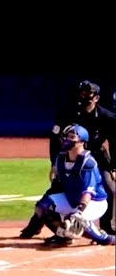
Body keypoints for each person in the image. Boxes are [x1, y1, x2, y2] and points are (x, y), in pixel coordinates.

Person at [22, 80, 116, 237]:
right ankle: (37, 224)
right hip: (71, 156)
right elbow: (55, 139)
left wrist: (113, 167)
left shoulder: (108, 118)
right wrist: (54, 164)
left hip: (96, 155)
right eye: (82, 93)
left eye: (88, 93)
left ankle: (106, 228)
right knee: (57, 189)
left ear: (96, 98)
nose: (84, 96)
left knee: (109, 188)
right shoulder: (67, 113)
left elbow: (114, 142)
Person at [30, 124, 114, 247]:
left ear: (81, 142)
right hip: (72, 199)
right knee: (42, 206)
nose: (67, 139)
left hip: (94, 202)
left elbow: (88, 192)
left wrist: (79, 212)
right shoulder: (60, 158)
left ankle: (105, 238)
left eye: (72, 137)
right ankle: (63, 236)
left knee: (76, 220)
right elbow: (59, 185)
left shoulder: (87, 162)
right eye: (66, 136)